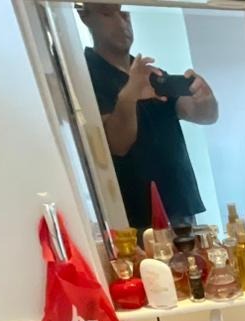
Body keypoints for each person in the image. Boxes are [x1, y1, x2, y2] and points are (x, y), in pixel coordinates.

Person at [78, 3, 218, 230]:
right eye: (107, 14)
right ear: (85, 16)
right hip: (136, 216)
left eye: (124, 14)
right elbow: (117, 145)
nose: (121, 23)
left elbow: (203, 116)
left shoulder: (151, 74)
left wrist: (205, 98)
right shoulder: (85, 76)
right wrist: (128, 98)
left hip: (180, 205)